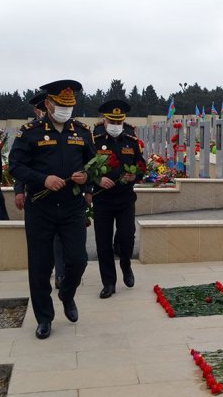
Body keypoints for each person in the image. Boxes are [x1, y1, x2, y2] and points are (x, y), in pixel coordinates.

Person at [9, 80, 96, 339]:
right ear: (48, 104)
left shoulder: (81, 132)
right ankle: (44, 318)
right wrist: (42, 179)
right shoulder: (30, 132)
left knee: (78, 259)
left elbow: (91, 163)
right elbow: (15, 166)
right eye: (60, 105)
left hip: (72, 206)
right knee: (40, 266)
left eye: (69, 106)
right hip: (41, 207)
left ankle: (67, 294)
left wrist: (87, 178)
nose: (65, 110)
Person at [92, 99, 144, 298]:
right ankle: (109, 282)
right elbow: (84, 166)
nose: (115, 126)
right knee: (103, 242)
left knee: (127, 236)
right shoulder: (95, 139)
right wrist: (98, 179)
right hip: (102, 200)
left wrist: (135, 175)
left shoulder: (130, 141)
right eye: (112, 122)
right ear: (105, 120)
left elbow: (140, 165)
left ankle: (126, 265)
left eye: (118, 122)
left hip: (125, 199)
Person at [13, 92, 65, 290]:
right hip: (38, 197)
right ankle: (47, 272)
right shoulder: (29, 132)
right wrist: (19, 191)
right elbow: (20, 168)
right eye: (39, 110)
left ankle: (61, 275)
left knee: (60, 241)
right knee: (43, 248)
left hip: (63, 199)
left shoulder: (67, 131)